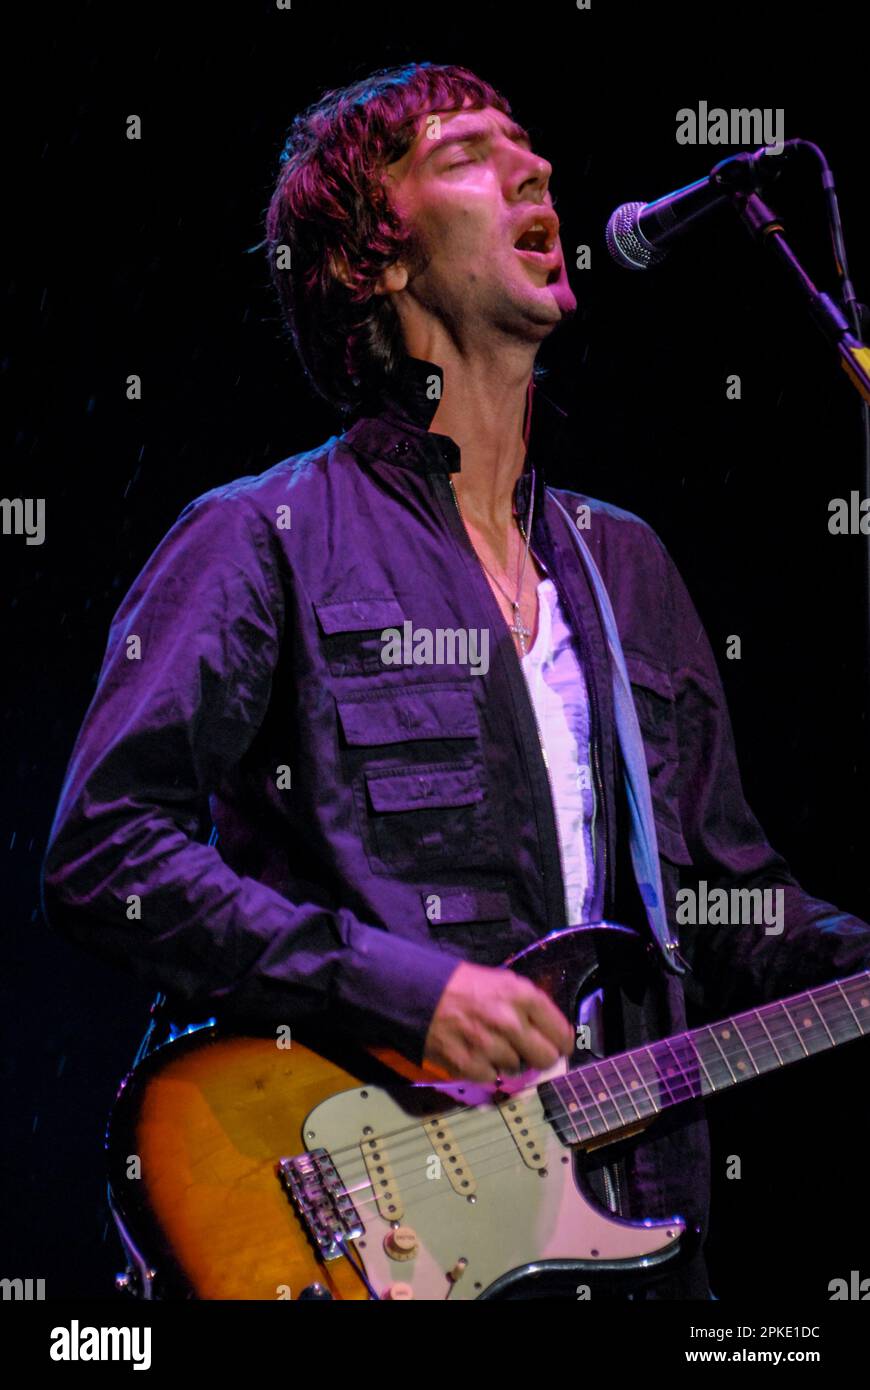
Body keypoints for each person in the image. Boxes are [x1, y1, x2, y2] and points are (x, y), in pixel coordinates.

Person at [41, 62, 870, 1300]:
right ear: (374, 260)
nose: (534, 168)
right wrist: (404, 988)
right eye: (468, 153)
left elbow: (729, 910)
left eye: (530, 145)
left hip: (632, 1237)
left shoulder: (624, 562)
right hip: (365, 1229)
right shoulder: (263, 535)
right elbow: (104, 854)